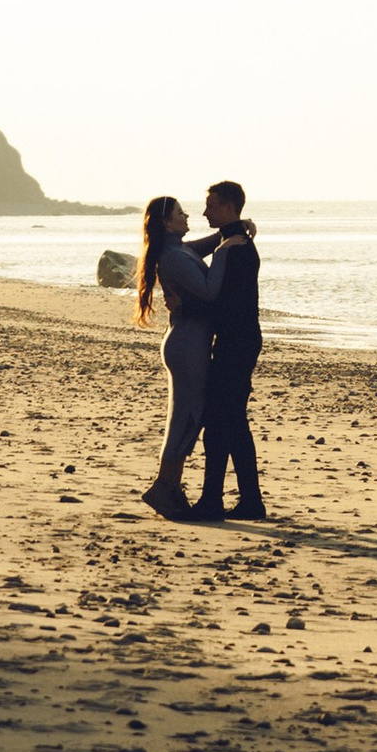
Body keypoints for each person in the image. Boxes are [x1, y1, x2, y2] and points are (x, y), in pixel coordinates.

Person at [134, 192, 222, 517]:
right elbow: (210, 290)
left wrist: (232, 232)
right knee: (186, 416)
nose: (188, 217)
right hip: (187, 345)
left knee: (188, 416)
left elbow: (202, 247)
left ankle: (169, 486)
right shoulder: (172, 257)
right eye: (181, 214)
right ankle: (164, 487)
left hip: (187, 341)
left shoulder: (178, 250)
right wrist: (226, 254)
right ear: (166, 222)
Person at [186, 181, 264, 521]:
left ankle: (217, 500)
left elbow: (225, 303)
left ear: (230, 207)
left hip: (238, 342)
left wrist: (186, 308)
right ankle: (243, 500)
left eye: (212, 206)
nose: (205, 212)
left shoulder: (235, 248)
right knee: (229, 422)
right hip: (238, 340)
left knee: (222, 422)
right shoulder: (232, 240)